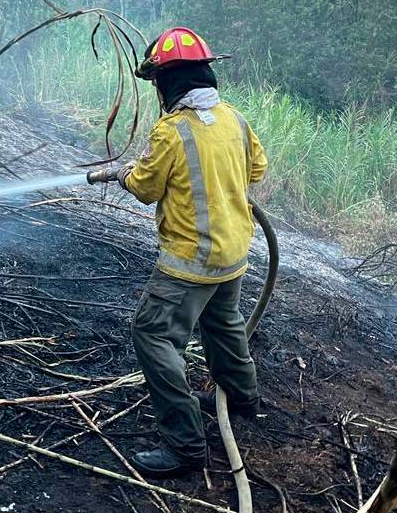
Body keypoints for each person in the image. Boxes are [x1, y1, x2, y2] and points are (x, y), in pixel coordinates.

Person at [89, 27, 269, 477]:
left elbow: (147, 188)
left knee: (152, 334)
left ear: (169, 82)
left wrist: (128, 174)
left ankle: (185, 445)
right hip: (233, 255)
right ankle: (244, 400)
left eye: (157, 83)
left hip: (189, 263)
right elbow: (257, 171)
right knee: (223, 324)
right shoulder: (235, 119)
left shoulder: (171, 132)